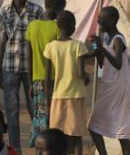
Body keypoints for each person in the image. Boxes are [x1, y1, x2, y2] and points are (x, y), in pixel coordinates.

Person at [0, 0, 44, 152]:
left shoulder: (37, 11)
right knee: (12, 110)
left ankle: (40, 146)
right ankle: (16, 148)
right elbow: (4, 40)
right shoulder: (5, 12)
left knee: (35, 110)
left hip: (31, 68)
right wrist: (0, 70)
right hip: (10, 66)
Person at [85, 6, 130, 155]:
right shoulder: (107, 39)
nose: (98, 19)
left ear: (113, 20)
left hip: (118, 91)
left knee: (122, 134)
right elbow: (103, 64)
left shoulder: (118, 39)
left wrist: (101, 48)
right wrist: (97, 47)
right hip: (111, 89)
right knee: (94, 127)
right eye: (98, 17)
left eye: (102, 17)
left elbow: (118, 64)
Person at [43, 11, 90, 155]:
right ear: (72, 27)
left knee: (57, 136)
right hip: (75, 96)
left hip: (58, 95)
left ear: (58, 26)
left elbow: (47, 77)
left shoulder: (51, 47)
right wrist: (87, 78)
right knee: (76, 136)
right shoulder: (78, 46)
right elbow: (81, 73)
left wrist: (48, 98)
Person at [26, 0, 67, 148]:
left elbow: (29, 56)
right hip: (54, 79)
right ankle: (47, 145)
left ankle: (39, 143)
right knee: (51, 115)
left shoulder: (32, 26)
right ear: (56, 7)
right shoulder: (57, 27)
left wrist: (30, 82)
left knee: (39, 113)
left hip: (36, 79)